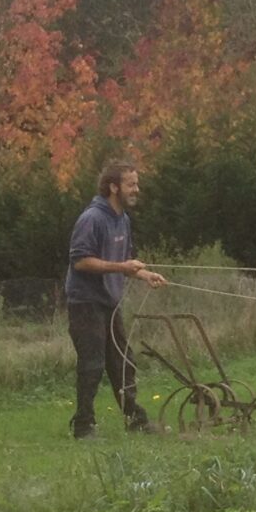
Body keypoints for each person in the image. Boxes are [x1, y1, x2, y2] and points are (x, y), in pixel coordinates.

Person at [64, 160, 168, 438]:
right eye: (130, 184)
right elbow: (80, 261)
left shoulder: (123, 219)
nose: (136, 189)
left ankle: (136, 420)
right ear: (113, 187)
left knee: (123, 361)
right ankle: (83, 426)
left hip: (110, 302)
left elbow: (124, 262)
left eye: (136, 184)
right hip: (85, 303)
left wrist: (145, 274)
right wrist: (122, 267)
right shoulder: (92, 218)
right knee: (93, 364)